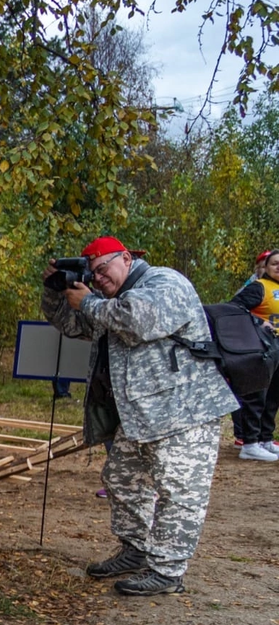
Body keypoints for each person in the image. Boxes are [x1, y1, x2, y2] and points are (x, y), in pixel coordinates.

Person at [43, 235, 237, 596]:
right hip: (141, 416)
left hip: (186, 412)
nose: (99, 279)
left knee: (178, 491)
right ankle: (136, 550)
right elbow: (69, 324)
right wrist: (55, 288)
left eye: (103, 270)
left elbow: (137, 319)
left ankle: (167, 571)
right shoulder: (106, 303)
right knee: (121, 479)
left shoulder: (164, 283)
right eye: (93, 274)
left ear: (126, 258)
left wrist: (87, 302)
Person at [227, 248, 279, 460]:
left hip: (277, 347)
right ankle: (250, 443)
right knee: (258, 395)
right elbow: (234, 307)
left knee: (274, 396)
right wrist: (258, 322)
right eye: (275, 263)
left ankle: (266, 438)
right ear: (265, 267)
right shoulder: (259, 287)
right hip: (262, 346)